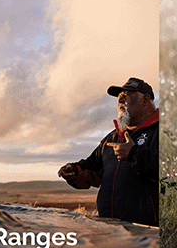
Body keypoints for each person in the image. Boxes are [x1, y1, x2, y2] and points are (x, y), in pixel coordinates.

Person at [58, 77, 159, 226]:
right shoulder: (113, 137)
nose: (120, 102)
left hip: (149, 236)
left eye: (126, 96)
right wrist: (74, 171)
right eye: (119, 98)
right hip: (111, 231)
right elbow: (92, 168)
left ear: (145, 101)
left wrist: (134, 154)